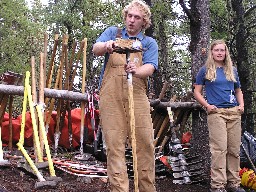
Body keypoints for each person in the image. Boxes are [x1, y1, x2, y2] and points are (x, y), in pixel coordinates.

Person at [92, 0, 158, 192]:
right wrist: (107, 45)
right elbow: (96, 49)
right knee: (114, 145)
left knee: (145, 142)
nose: (131, 20)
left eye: (137, 17)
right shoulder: (113, 32)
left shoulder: (148, 42)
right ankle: (119, 189)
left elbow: (151, 67)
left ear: (143, 21)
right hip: (111, 96)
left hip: (137, 94)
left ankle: (146, 188)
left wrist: (137, 70)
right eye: (129, 16)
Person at [194, 39, 245, 192]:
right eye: (216, 50)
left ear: (225, 53)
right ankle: (218, 185)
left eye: (222, 50)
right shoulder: (205, 70)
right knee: (219, 149)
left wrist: (241, 105)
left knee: (234, 150)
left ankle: (234, 184)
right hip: (217, 113)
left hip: (234, 112)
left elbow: (238, 90)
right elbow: (196, 92)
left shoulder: (232, 70)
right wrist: (208, 105)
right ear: (212, 52)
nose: (219, 53)